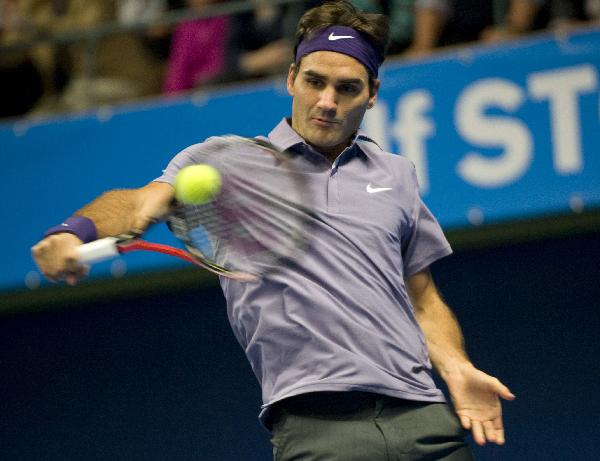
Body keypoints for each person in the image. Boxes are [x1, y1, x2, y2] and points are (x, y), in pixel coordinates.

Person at [32, 1, 515, 459]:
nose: (326, 102)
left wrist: (457, 369)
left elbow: (423, 299)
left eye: (346, 88)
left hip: (424, 419)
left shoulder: (396, 175)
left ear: (372, 94)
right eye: (314, 82)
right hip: (318, 426)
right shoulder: (224, 162)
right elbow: (135, 201)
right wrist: (71, 232)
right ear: (291, 78)